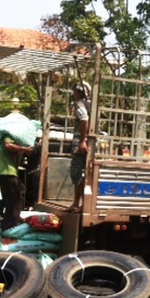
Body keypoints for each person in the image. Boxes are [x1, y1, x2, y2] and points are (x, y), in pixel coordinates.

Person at [0, 134, 35, 231]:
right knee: (15, 198)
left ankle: (3, 212)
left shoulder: (15, 140)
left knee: (18, 191)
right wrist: (24, 149)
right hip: (7, 172)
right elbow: (8, 145)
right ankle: (11, 223)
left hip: (6, 172)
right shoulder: (8, 136)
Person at [68, 81, 91, 212]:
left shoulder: (80, 104)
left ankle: (77, 203)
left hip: (80, 143)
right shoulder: (91, 105)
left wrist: (83, 140)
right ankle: (81, 204)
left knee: (77, 173)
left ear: (79, 92)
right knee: (87, 173)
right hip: (91, 143)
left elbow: (84, 120)